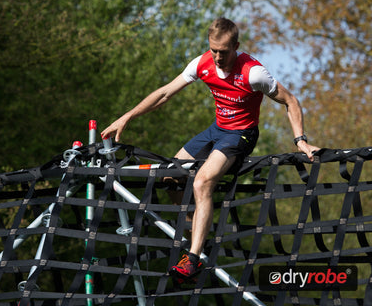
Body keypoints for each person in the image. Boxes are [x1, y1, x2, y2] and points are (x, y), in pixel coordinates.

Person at [101, 17, 320, 283]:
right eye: (213, 50)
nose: (217, 57)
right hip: (216, 130)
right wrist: (126, 117)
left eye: (224, 51)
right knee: (170, 176)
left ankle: (193, 259)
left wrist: (301, 140)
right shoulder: (202, 63)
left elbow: (291, 101)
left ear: (236, 46)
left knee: (202, 182)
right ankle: (197, 232)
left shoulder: (253, 72)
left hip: (241, 133)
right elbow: (164, 93)